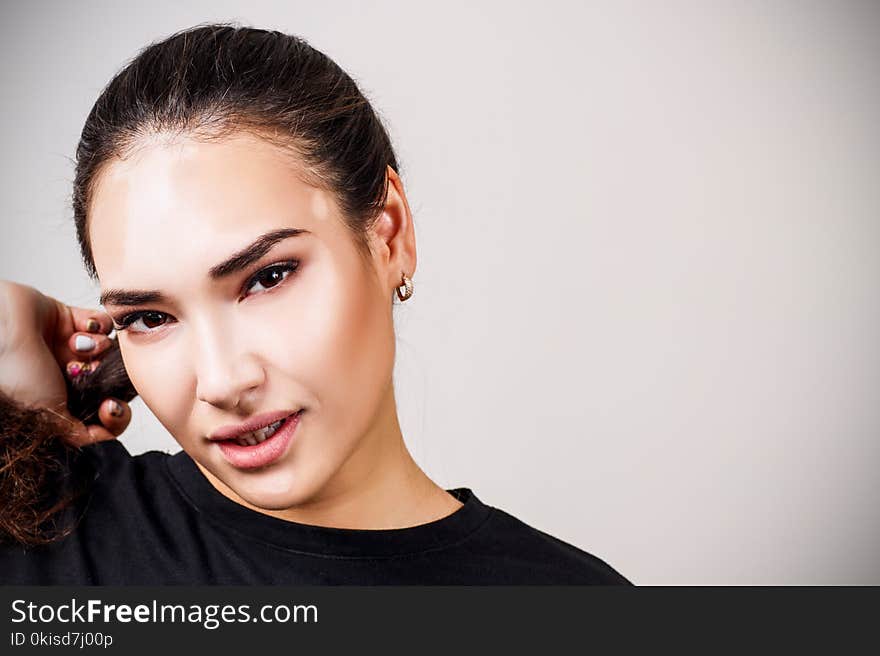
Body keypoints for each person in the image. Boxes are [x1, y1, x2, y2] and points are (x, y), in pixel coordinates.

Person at [0, 23, 630, 585]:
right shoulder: (43, 534)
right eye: (151, 318)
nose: (222, 382)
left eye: (269, 277)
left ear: (389, 231)